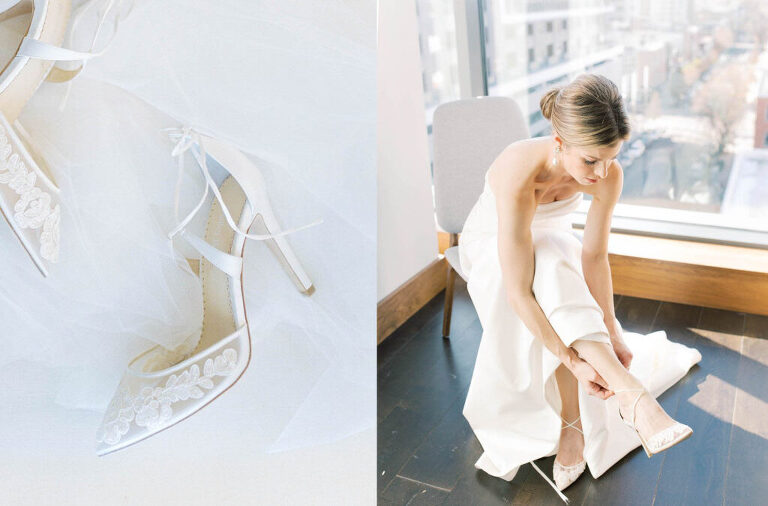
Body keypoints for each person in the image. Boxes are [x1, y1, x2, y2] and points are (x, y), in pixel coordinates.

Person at [458, 73, 700, 502]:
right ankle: (629, 397)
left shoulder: (607, 174)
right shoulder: (518, 172)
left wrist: (611, 327)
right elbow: (517, 292)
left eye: (611, 158)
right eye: (590, 161)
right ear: (558, 142)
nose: (602, 172)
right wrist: (571, 361)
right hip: (492, 248)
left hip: (553, 249)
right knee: (550, 263)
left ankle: (589, 413)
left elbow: (593, 256)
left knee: (554, 261)